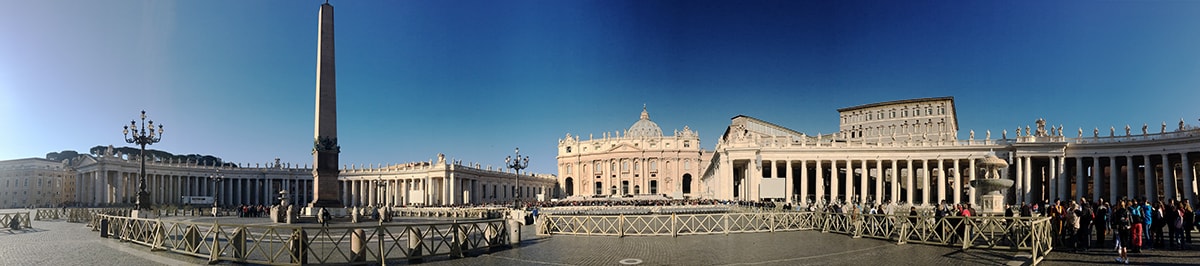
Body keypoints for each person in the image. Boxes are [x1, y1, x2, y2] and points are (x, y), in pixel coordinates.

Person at [1113, 199, 1131, 264]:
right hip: (1127, 229)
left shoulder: (1118, 212)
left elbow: (1116, 221)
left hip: (1121, 229)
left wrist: (1116, 227)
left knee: (1123, 244)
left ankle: (1126, 258)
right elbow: (1131, 221)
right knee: (1124, 244)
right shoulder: (1128, 211)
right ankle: (1121, 257)